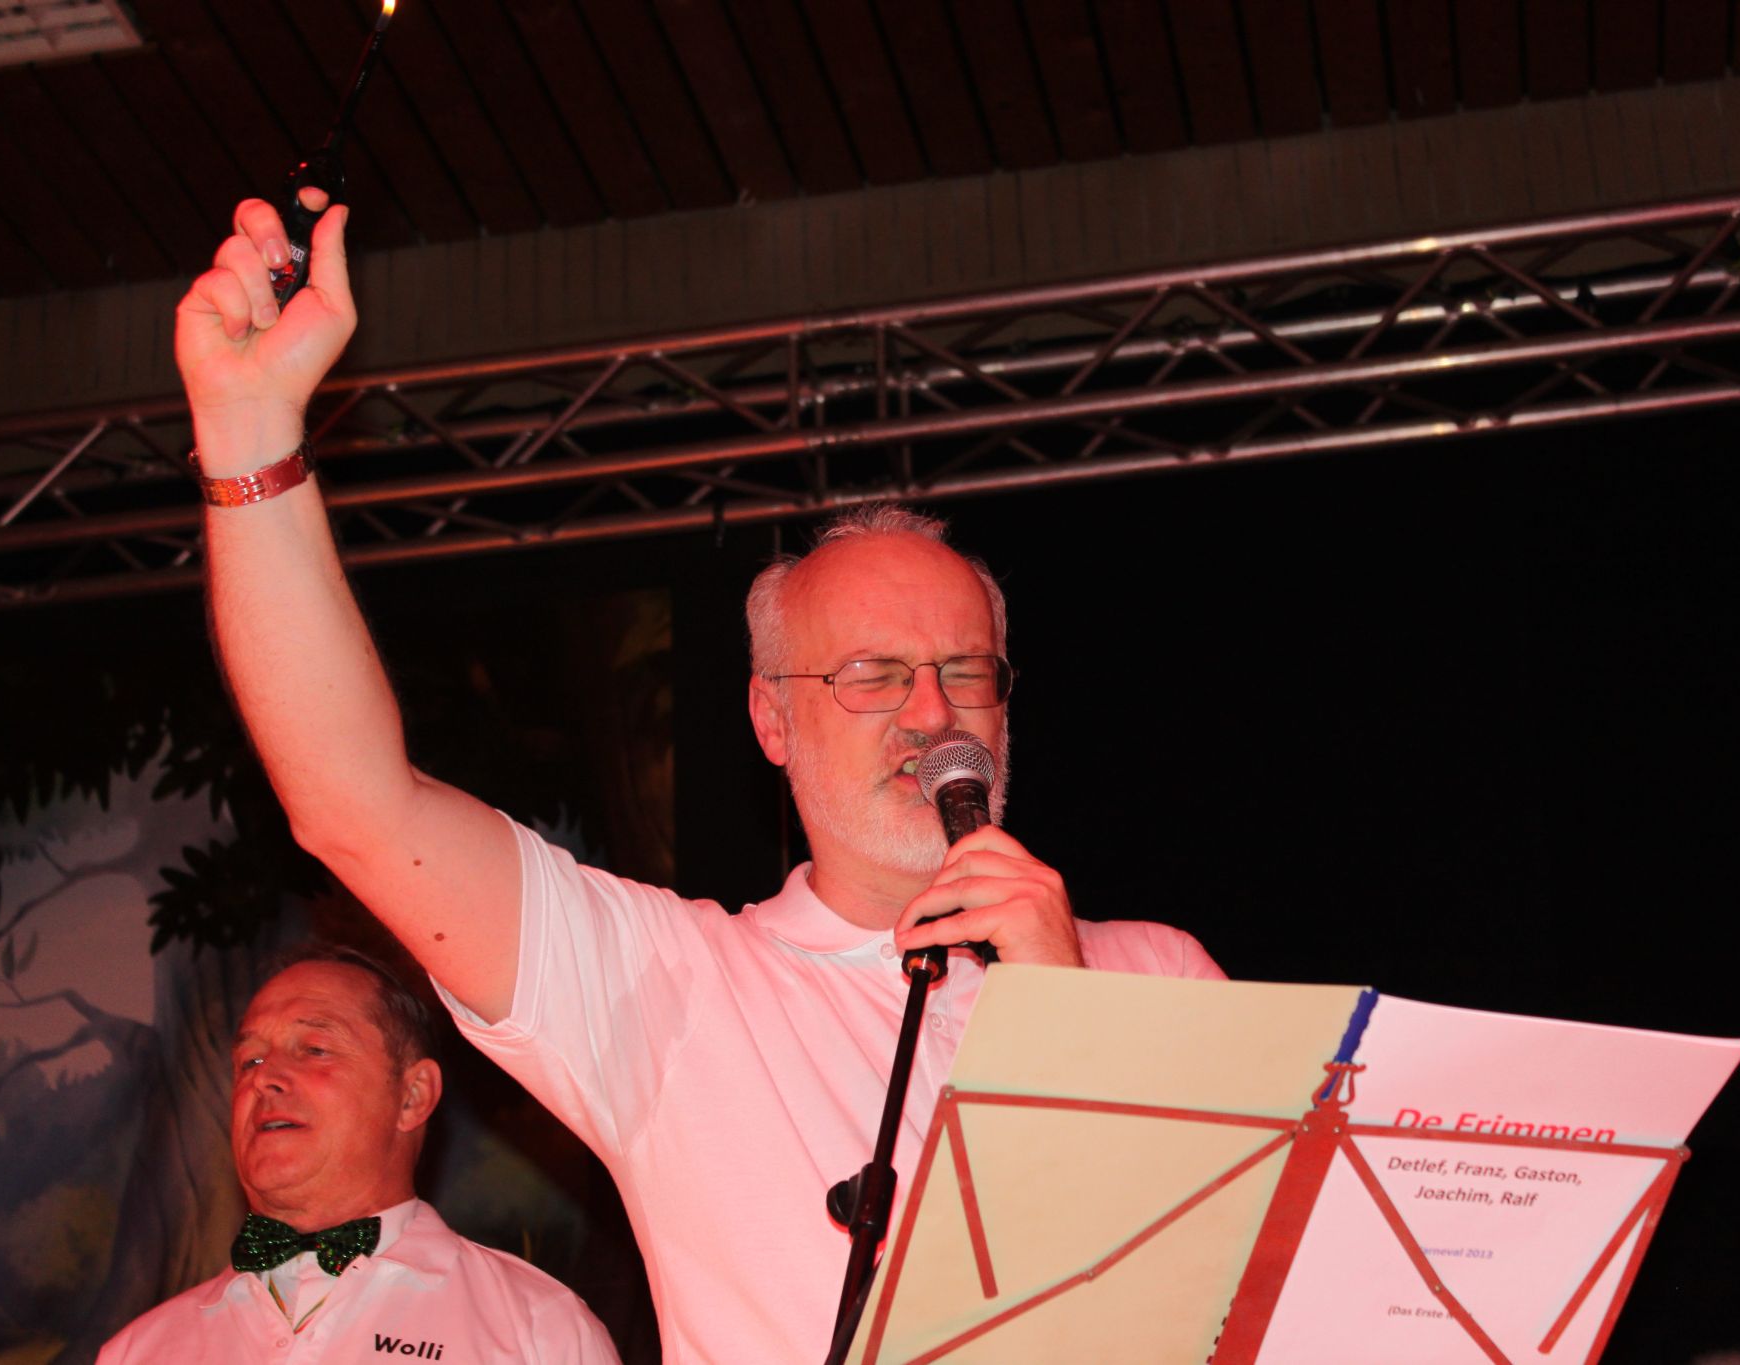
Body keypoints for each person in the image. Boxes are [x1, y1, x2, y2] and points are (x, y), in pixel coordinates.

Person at [179, 201, 1225, 1363]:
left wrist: (1073, 1022)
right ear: (771, 720)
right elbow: (354, 805)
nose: (931, 715)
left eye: (964, 672)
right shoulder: (679, 988)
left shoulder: (1155, 974)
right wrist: (248, 433)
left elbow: (1252, 1301)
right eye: (872, 675)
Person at [99, 946, 621, 1364]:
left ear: (412, 1096)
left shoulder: (539, 1330)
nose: (264, 1078)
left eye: (314, 1049)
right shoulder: (137, 1352)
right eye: (249, 1060)